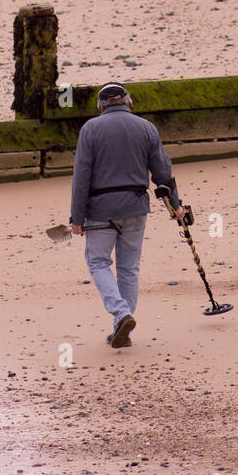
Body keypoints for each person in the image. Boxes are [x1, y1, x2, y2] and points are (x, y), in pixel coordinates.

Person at [70, 81, 185, 348]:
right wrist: (176, 206)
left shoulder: (90, 129)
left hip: (100, 209)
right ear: (127, 100)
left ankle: (121, 315)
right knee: (128, 268)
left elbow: (81, 176)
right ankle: (123, 327)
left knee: (98, 263)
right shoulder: (146, 127)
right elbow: (163, 174)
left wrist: (77, 217)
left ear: (101, 106)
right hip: (135, 205)